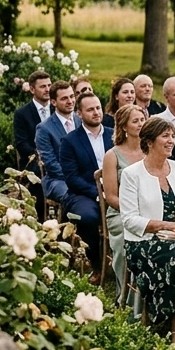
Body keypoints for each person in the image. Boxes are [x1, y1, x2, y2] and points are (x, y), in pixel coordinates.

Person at [118, 116, 175, 330]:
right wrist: (168, 226)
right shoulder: (132, 174)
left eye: (172, 136)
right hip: (143, 242)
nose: (171, 141)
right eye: (165, 136)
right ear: (149, 142)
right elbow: (129, 220)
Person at [60, 91, 113, 284]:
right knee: (88, 217)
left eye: (98, 108)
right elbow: (72, 178)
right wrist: (99, 193)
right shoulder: (70, 141)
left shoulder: (113, 134)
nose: (96, 112)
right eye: (90, 110)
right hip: (83, 193)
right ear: (79, 114)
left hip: (115, 188)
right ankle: (97, 264)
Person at [102, 104, 147, 308]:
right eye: (135, 121)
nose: (140, 124)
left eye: (143, 120)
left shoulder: (151, 152)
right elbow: (111, 196)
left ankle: (149, 298)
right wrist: (134, 212)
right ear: (124, 127)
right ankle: (126, 299)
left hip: (150, 211)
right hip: (121, 213)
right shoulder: (112, 155)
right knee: (126, 240)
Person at [13, 70, 53, 216]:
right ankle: (39, 218)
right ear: (32, 89)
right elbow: (21, 144)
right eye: (43, 86)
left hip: (58, 159)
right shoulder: (22, 114)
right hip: (34, 162)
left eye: (49, 85)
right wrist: (42, 157)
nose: (48, 89)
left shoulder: (57, 109)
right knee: (38, 175)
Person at [35, 81, 80, 205]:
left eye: (72, 96)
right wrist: (75, 178)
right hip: (58, 180)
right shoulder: (44, 129)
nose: (70, 101)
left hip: (84, 177)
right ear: (53, 102)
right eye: (64, 98)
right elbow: (51, 164)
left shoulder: (81, 121)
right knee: (75, 197)